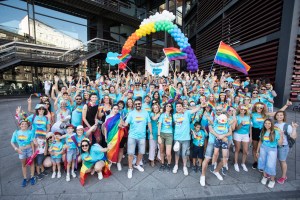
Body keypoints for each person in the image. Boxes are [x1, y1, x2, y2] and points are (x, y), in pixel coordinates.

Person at [122, 98, 152, 179]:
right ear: (134, 105)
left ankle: (137, 164)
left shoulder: (145, 113)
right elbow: (126, 123)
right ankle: (130, 168)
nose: (138, 105)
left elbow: (149, 122)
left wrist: (151, 133)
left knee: (141, 152)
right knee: (131, 153)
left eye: (139, 104)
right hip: (132, 136)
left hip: (142, 136)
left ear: (141, 104)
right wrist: (122, 123)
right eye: (136, 104)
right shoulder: (131, 113)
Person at [172, 102, 201, 176]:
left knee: (185, 153)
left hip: (186, 138)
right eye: (177, 106)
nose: (178, 107)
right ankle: (176, 165)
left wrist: (200, 105)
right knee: (177, 153)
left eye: (180, 106)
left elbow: (196, 109)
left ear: (182, 107)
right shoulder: (174, 115)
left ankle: (185, 167)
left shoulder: (187, 113)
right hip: (177, 138)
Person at [257, 119, 283, 188]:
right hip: (263, 148)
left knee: (271, 165)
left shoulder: (276, 132)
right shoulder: (263, 131)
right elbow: (260, 141)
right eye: (266, 123)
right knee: (262, 163)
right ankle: (265, 176)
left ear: (272, 124)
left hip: (272, 150)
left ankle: (272, 180)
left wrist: (281, 135)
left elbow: (280, 144)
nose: (267, 125)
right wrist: (257, 151)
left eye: (269, 123)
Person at [274, 111, 298, 184]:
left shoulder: (287, 126)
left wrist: (294, 128)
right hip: (275, 145)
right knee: (276, 160)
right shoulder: (275, 124)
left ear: (284, 116)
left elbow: (294, 136)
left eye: (281, 115)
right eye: (278, 115)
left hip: (283, 146)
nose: (279, 116)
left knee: (282, 161)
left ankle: (283, 177)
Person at [11, 118, 36, 187]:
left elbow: (31, 142)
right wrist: (16, 149)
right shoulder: (16, 132)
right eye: (22, 124)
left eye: (25, 124)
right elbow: (12, 142)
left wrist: (33, 151)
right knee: (24, 164)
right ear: (20, 125)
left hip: (29, 150)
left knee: (31, 163)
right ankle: (25, 178)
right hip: (21, 151)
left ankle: (32, 177)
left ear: (27, 125)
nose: (24, 125)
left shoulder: (30, 132)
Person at [234, 105, 251, 172]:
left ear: (246, 111)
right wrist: (241, 124)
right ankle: (236, 163)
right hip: (238, 134)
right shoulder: (237, 117)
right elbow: (236, 128)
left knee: (245, 151)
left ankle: (243, 163)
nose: (243, 111)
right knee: (237, 149)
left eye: (244, 110)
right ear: (239, 110)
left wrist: (250, 136)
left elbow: (250, 127)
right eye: (241, 109)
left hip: (246, 135)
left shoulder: (248, 117)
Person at [158, 103, 174, 172]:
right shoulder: (162, 115)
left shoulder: (173, 116)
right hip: (162, 134)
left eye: (169, 106)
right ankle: (162, 164)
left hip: (169, 134)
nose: (168, 107)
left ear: (171, 108)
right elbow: (159, 126)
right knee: (161, 150)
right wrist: (158, 136)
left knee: (168, 153)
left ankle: (169, 164)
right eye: (167, 106)